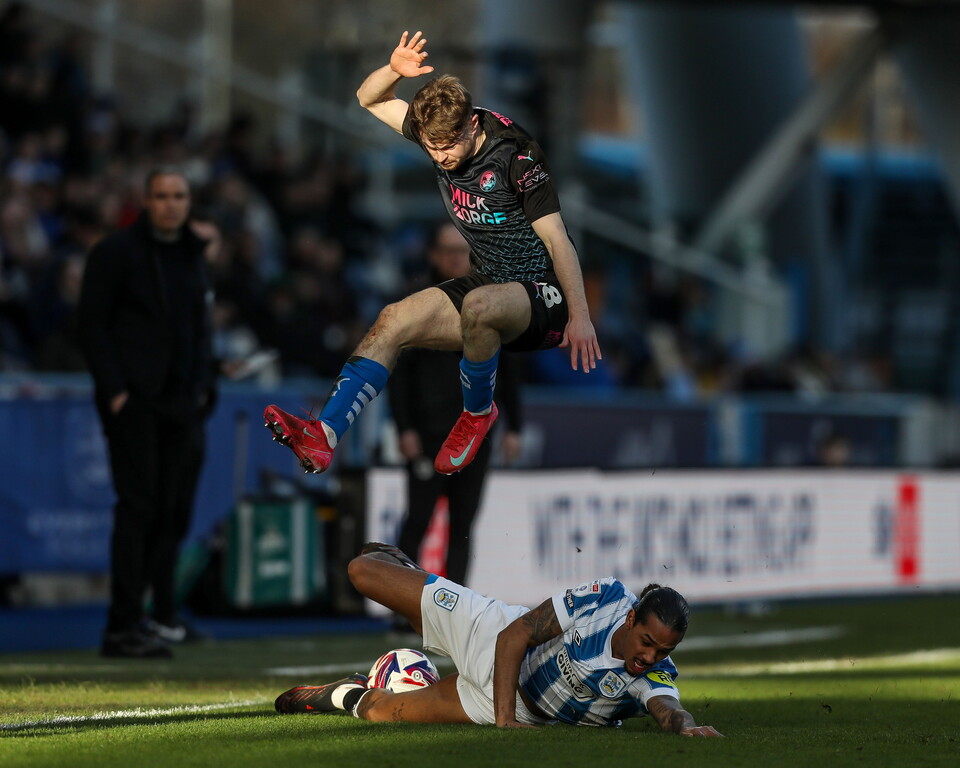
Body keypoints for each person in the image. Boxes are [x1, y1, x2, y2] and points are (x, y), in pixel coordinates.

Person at [264, 30, 600, 477]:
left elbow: (559, 239)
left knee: (480, 307)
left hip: (542, 292)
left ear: (473, 126)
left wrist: (579, 314)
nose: (440, 157)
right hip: (490, 281)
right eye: (432, 148)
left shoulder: (516, 157)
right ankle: (323, 435)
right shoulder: (435, 132)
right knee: (392, 318)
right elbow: (369, 99)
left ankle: (478, 414)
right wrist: (391, 71)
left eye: (448, 147)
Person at [274, 543, 722, 735]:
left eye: (663, 650)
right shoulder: (604, 599)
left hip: (505, 704)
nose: (650, 655)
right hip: (495, 635)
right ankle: (409, 574)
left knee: (377, 712)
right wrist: (506, 722)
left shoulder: (652, 676)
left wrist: (685, 726)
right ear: (630, 618)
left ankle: (339, 692)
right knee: (362, 571)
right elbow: (518, 633)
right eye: (647, 641)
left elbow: (669, 710)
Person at [78, 167, 215, 659]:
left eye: (179, 196)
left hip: (183, 404)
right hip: (135, 404)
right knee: (138, 511)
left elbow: (200, 328)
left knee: (173, 513)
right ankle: (122, 626)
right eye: (161, 196)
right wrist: (116, 392)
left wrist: (202, 388)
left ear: (188, 201)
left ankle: (161, 616)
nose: (171, 204)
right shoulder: (115, 252)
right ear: (147, 200)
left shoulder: (192, 255)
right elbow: (91, 325)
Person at [390, 222, 523, 586]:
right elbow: (399, 373)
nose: (456, 258)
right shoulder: (416, 302)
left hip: (476, 432)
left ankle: (456, 612)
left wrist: (515, 427)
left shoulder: (491, 300)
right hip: (430, 431)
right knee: (418, 518)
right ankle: (404, 609)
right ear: (433, 255)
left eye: (461, 250)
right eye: (448, 250)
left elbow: (507, 368)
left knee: (463, 524)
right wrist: (404, 428)